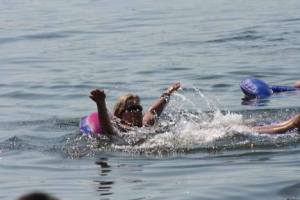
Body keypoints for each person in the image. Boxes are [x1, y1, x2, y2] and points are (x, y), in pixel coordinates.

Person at [89, 82, 181, 136]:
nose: (137, 111)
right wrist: (101, 103)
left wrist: (169, 91)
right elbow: (107, 128)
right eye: (131, 108)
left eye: (138, 108)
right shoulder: (120, 128)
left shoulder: (145, 125)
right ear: (120, 113)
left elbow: (153, 110)